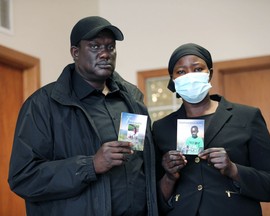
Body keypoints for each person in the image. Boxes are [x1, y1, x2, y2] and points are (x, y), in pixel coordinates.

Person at [8, 16, 158, 216]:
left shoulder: (132, 100)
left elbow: (140, 163)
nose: (105, 54)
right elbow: (23, 178)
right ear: (75, 53)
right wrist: (90, 165)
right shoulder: (42, 105)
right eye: (95, 47)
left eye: (110, 47)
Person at [152, 43, 270, 216]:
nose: (190, 76)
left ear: (210, 73)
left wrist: (233, 170)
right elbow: (153, 201)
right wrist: (169, 177)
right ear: (173, 79)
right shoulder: (162, 127)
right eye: (181, 72)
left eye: (198, 69)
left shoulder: (246, 116)